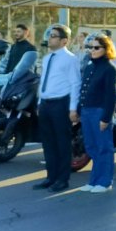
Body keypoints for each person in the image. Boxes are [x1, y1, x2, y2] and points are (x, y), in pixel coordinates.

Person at [33, 24, 81, 193]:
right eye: (50, 35)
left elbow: (76, 84)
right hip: (46, 104)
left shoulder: (70, 59)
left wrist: (73, 109)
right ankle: (50, 177)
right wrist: (40, 102)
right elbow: (44, 80)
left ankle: (62, 179)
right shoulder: (47, 58)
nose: (49, 38)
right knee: (48, 143)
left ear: (64, 41)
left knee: (62, 143)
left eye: (53, 36)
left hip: (61, 104)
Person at [77, 34, 116, 193]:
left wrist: (106, 118)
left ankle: (105, 182)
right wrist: (79, 109)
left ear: (106, 49)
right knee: (91, 147)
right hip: (87, 111)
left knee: (104, 148)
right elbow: (83, 89)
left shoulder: (109, 69)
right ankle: (94, 180)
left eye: (96, 47)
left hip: (99, 111)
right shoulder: (89, 66)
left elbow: (111, 96)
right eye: (90, 47)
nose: (92, 50)